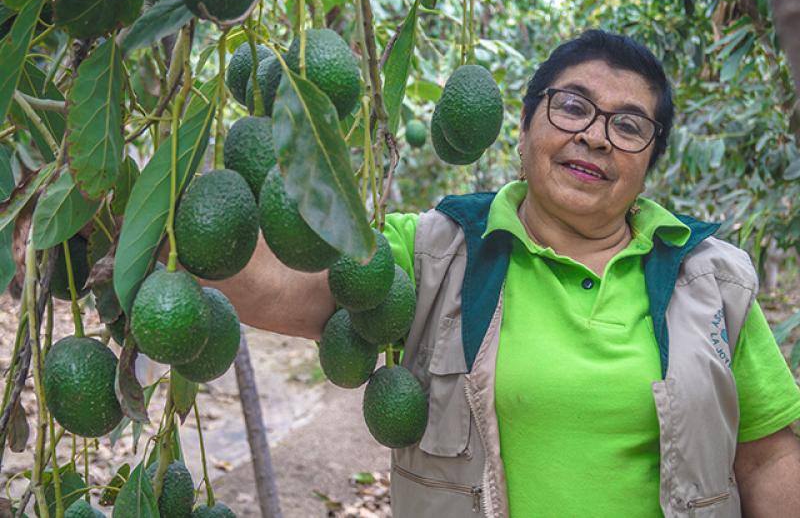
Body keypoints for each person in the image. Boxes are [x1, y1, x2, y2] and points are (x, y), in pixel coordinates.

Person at [207, 30, 800, 517]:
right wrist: (158, 216)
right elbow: (278, 286)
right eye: (572, 106)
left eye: (628, 125)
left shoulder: (713, 277)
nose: (594, 136)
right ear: (523, 126)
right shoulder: (433, 252)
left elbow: (768, 459)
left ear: (649, 160)